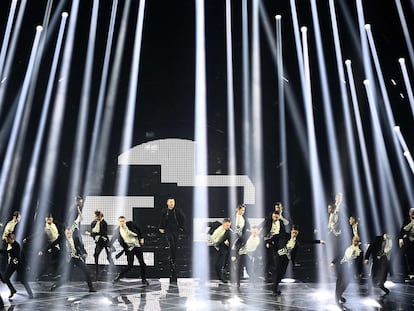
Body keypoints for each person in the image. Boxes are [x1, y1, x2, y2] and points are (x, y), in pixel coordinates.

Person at [271, 225, 325, 295]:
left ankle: (275, 286)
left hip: (287, 258)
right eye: (293, 232)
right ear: (291, 231)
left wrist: (320, 241)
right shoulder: (285, 235)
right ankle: (274, 289)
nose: (294, 234)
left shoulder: (298, 239)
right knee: (277, 271)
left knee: (282, 273)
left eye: (295, 233)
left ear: (297, 233)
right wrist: (270, 243)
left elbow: (308, 241)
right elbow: (274, 237)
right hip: (279, 256)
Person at [50, 227, 96, 292]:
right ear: (65, 232)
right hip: (68, 259)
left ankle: (91, 288)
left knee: (87, 271)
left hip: (76, 257)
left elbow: (81, 246)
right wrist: (43, 250)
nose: (69, 233)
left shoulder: (75, 238)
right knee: (67, 277)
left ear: (71, 232)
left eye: (70, 232)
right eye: (67, 232)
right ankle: (56, 285)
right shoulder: (61, 239)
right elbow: (52, 244)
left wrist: (84, 253)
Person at [110, 216, 148, 286]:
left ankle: (144, 279)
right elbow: (113, 239)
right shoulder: (117, 231)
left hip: (137, 246)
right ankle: (118, 277)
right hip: (129, 248)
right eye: (120, 221)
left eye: (123, 221)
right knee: (130, 265)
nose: (122, 223)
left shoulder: (130, 224)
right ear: (118, 222)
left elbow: (139, 229)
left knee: (142, 263)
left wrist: (142, 238)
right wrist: (109, 246)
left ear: (125, 221)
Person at [330, 236, 363, 305]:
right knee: (339, 282)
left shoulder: (359, 251)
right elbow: (339, 255)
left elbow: (359, 263)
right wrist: (333, 262)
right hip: (342, 266)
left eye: (357, 241)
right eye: (355, 241)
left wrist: (359, 273)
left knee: (346, 283)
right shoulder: (347, 248)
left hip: (350, 269)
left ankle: (339, 296)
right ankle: (337, 297)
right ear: (352, 241)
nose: (355, 242)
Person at [159, 197, 186, 279]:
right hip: (168, 230)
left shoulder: (178, 211)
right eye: (170, 202)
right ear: (167, 203)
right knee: (171, 243)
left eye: (173, 202)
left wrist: (182, 227)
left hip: (176, 230)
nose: (171, 204)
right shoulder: (164, 211)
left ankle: (173, 259)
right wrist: (161, 227)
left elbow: (183, 219)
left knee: (175, 245)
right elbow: (162, 220)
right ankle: (172, 259)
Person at [0, 233, 33, 299]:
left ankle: (30, 294)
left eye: (7, 239)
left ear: (10, 239)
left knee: (23, 280)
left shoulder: (16, 245)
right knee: (6, 278)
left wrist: (26, 265)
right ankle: (12, 290)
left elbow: (20, 255)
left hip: (18, 265)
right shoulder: (10, 245)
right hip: (12, 264)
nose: (6, 240)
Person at [85, 210, 114, 280]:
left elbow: (102, 234)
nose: (96, 217)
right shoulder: (93, 223)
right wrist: (93, 235)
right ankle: (97, 272)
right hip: (99, 242)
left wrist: (90, 234)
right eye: (95, 216)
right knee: (96, 255)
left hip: (105, 242)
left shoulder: (104, 223)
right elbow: (94, 233)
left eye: (97, 216)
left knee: (109, 257)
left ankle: (114, 271)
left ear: (100, 216)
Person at [260, 211, 286, 281]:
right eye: (274, 216)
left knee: (276, 260)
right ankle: (266, 275)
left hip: (277, 241)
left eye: (277, 217)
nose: (275, 218)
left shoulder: (281, 222)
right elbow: (262, 229)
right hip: (268, 241)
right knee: (268, 259)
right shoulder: (268, 221)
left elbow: (283, 233)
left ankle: (274, 274)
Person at [208, 218, 232, 283]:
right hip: (212, 245)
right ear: (223, 223)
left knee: (219, 264)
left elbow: (231, 242)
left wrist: (228, 243)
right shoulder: (217, 226)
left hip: (221, 248)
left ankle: (221, 277)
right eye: (227, 225)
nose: (228, 227)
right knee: (212, 263)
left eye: (229, 225)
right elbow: (209, 225)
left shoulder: (229, 232)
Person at [399, 207, 414, 278]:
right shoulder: (407, 220)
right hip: (407, 240)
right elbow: (403, 230)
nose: (412, 214)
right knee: (405, 256)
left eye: (413, 212)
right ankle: (407, 272)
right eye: (411, 212)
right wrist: (400, 238)